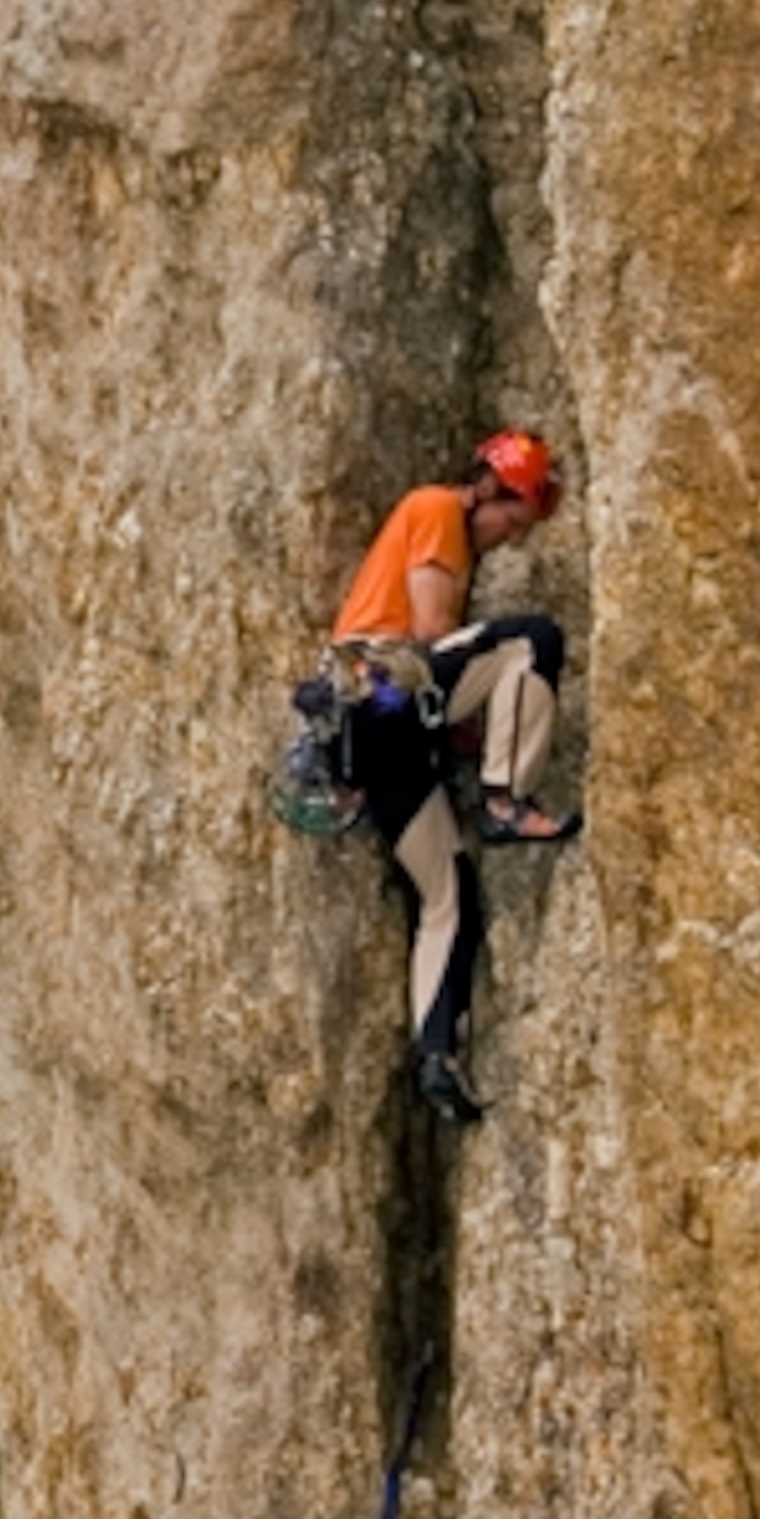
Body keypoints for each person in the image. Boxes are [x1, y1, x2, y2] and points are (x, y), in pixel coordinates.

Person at [332, 430, 580, 1125]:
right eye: (513, 519)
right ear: (489, 489)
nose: (510, 538)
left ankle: (437, 1058)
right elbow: (435, 633)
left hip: (376, 740)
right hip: (382, 691)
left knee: (451, 896)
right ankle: (507, 799)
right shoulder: (438, 508)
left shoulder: (452, 526)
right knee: (533, 640)